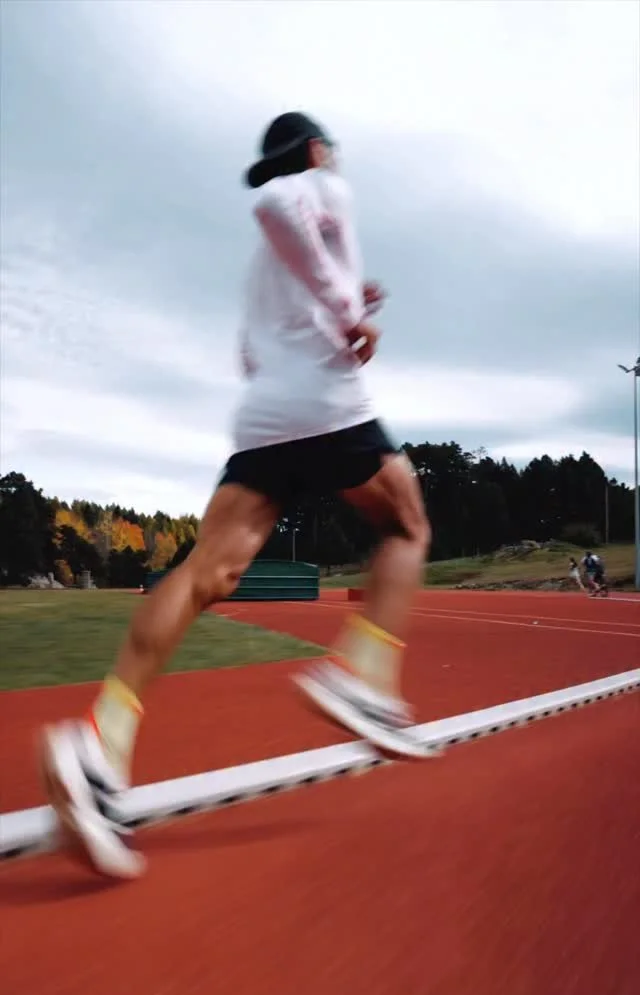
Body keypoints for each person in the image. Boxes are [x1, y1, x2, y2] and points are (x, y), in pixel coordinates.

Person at [39, 112, 434, 880]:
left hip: (265, 416)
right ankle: (363, 677)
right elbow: (276, 205)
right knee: (409, 524)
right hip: (325, 404)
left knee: (203, 575)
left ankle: (97, 741)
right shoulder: (316, 188)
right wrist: (349, 313)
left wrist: (343, 298)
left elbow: (251, 353)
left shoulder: (264, 270)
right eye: (329, 154)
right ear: (316, 151)